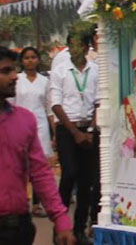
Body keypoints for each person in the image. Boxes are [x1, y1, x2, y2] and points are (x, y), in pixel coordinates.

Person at [0, 47, 75, 245]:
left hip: (18, 227)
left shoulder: (24, 121)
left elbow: (40, 172)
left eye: (14, 70)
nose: (15, 76)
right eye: (6, 71)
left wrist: (61, 220)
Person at [50, 30, 99, 244]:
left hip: (89, 129)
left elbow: (99, 102)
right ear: (68, 47)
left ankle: (80, 229)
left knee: (87, 181)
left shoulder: (96, 70)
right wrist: (75, 132)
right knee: (69, 174)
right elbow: (55, 104)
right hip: (67, 130)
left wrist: (89, 131)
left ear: (88, 47)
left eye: (82, 45)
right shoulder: (59, 71)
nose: (78, 49)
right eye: (73, 45)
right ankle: (59, 228)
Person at [12, 47, 53, 217]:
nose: (30, 61)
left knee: (39, 166)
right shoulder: (17, 80)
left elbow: (49, 107)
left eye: (33, 57)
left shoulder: (45, 81)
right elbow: (11, 103)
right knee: (19, 165)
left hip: (40, 127)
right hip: (19, 126)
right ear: (22, 61)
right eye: (27, 58)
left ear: (38, 59)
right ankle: (20, 202)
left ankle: (37, 204)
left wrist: (54, 131)